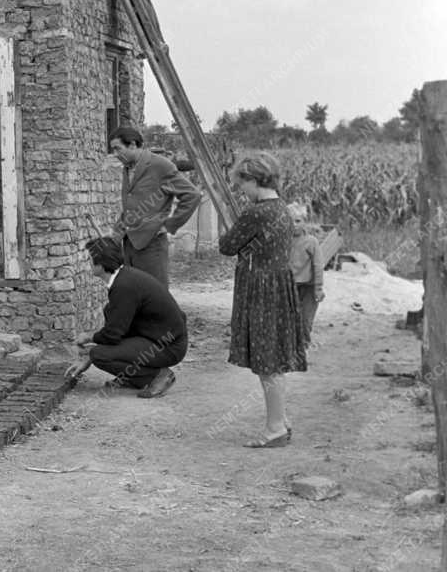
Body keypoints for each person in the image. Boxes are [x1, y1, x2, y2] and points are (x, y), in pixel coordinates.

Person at [218, 153, 307, 448]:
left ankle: (275, 429)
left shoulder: (256, 212)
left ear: (254, 180)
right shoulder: (281, 206)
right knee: (274, 360)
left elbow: (227, 246)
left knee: (267, 363)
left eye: (242, 183)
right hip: (279, 285)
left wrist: (233, 231)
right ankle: (280, 421)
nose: (241, 189)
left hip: (261, 288)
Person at [65, 236, 188, 398]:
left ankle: (159, 375)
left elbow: (112, 335)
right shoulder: (125, 278)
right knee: (107, 315)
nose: (87, 263)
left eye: (90, 259)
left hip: (169, 346)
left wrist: (88, 340)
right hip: (157, 339)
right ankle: (134, 378)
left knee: (99, 355)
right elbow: (119, 329)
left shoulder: (124, 286)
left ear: (101, 264)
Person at [108, 126, 201, 288]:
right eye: (113, 150)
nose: (115, 154)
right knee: (134, 296)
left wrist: (169, 225)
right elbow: (133, 204)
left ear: (132, 145)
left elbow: (192, 195)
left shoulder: (160, 165)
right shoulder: (127, 167)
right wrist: (117, 232)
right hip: (129, 243)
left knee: (155, 294)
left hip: (152, 244)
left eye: (118, 149)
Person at [287, 202, 325, 346]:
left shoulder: (311, 242)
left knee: (305, 319)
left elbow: (318, 266)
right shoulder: (283, 241)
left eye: (298, 221)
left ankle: (303, 345)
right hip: (289, 286)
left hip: (308, 287)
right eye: (290, 221)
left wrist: (318, 288)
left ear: (305, 222)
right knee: (288, 317)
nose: (294, 225)